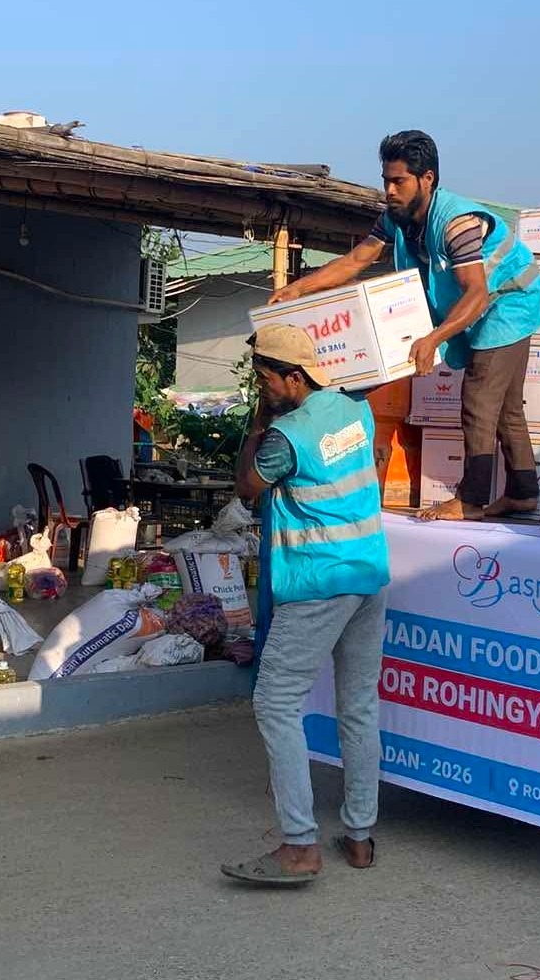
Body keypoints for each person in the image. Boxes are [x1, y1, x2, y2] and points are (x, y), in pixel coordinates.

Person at [269, 129, 540, 522]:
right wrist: (299, 288)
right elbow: (356, 260)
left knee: (479, 398)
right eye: (386, 180)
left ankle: (471, 500)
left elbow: (476, 293)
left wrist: (434, 337)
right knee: (506, 409)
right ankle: (522, 494)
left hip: (509, 301)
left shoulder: (456, 223)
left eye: (398, 181)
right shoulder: (396, 219)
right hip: (487, 304)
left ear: (427, 179)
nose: (389, 190)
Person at [220, 324, 389, 886]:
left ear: (293, 377)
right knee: (358, 706)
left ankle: (299, 846)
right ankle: (359, 836)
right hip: (368, 574)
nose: (259, 387)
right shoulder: (355, 410)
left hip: (319, 581)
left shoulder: (284, 437)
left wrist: (257, 423)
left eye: (263, 378)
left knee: (274, 702)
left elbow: (247, 487)